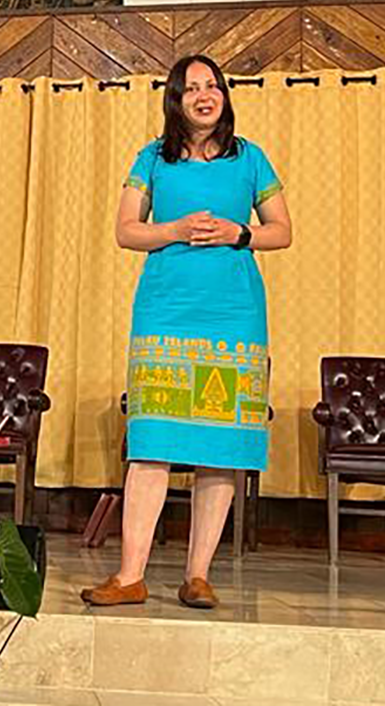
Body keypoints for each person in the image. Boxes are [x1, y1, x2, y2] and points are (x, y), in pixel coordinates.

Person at [82, 54, 291, 609]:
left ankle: (198, 575)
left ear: (223, 95)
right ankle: (130, 576)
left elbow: (282, 231)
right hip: (165, 310)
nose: (205, 95)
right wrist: (173, 229)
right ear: (175, 99)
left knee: (218, 447)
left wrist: (237, 231)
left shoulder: (252, 158)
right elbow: (126, 231)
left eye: (213, 86)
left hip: (234, 314)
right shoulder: (152, 158)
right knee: (151, 443)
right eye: (191, 87)